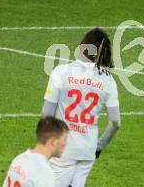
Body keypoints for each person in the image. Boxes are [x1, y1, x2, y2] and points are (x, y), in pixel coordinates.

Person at [42, 28, 121, 187]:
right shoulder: (109, 81)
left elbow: (47, 113)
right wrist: (99, 146)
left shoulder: (61, 72)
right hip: (87, 150)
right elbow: (115, 122)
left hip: (63, 148)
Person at [3, 117, 69, 187]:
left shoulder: (19, 158)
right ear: (53, 142)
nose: (66, 144)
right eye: (64, 139)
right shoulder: (44, 172)